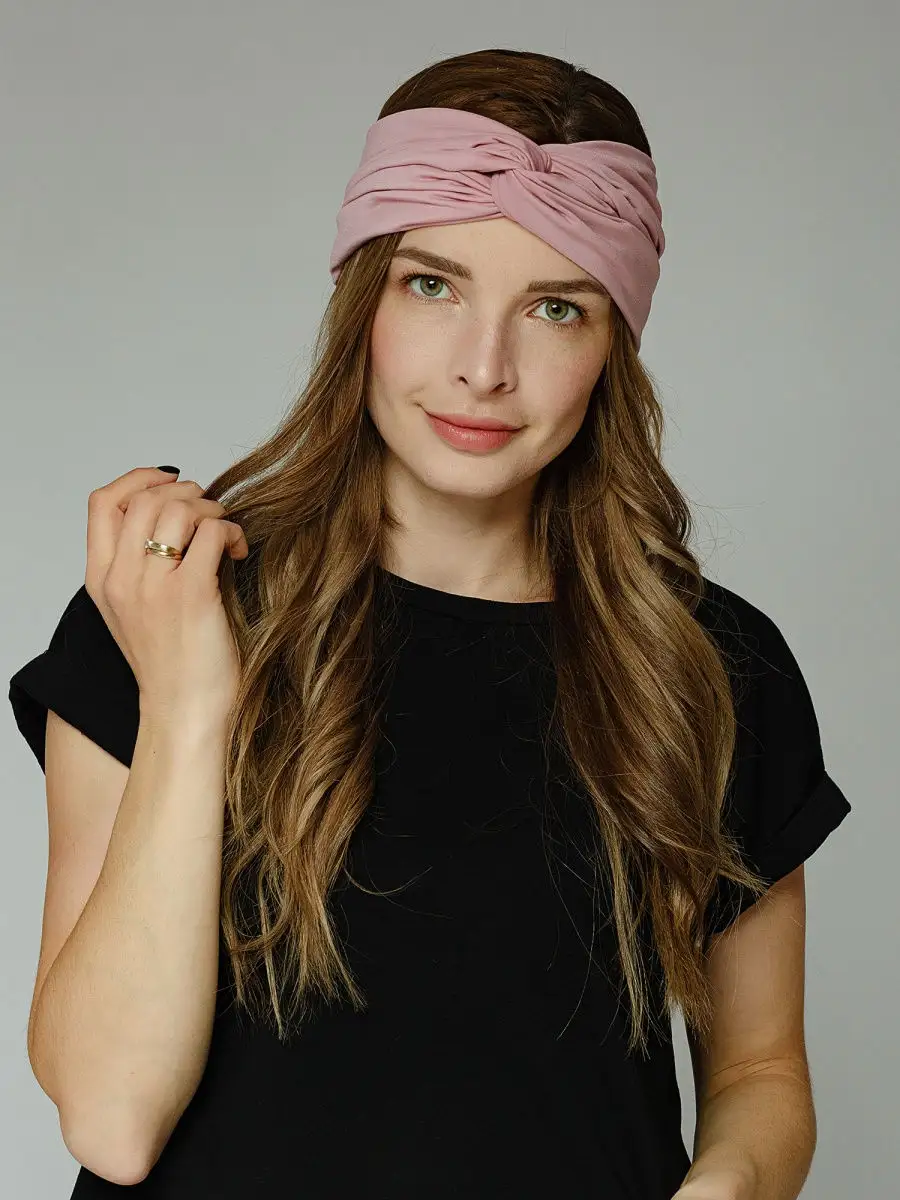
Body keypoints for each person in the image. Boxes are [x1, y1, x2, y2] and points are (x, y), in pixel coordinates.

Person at [8, 47, 851, 1200]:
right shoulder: (169, 605)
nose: (483, 369)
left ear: (613, 344)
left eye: (555, 308)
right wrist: (192, 696)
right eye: (432, 286)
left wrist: (725, 1190)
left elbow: (759, 1070)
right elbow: (111, 1119)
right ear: (364, 299)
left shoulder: (713, 667)